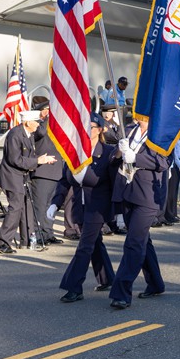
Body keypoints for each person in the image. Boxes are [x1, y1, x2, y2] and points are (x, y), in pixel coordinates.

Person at [49, 113, 119, 303]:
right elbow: (65, 180)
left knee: (84, 246)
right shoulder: (75, 152)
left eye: (92, 127)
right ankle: (107, 278)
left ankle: (73, 287)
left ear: (101, 130)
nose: (87, 131)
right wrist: (55, 203)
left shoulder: (108, 152)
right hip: (79, 207)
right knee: (95, 243)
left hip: (98, 207)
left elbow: (116, 182)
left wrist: (119, 209)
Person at [108, 118, 170, 309]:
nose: (140, 116)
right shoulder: (129, 130)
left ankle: (121, 292)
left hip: (148, 196)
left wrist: (135, 157)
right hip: (127, 191)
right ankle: (156, 283)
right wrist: (120, 151)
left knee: (133, 243)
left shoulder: (161, 134)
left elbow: (164, 162)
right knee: (143, 240)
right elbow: (113, 159)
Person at [0, 110, 57, 253]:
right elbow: (15, 160)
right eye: (36, 122)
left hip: (22, 176)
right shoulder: (15, 134)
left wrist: (42, 160)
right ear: (28, 122)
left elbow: (28, 155)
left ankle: (28, 240)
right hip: (11, 176)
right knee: (15, 208)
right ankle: (3, 243)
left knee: (27, 208)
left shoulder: (28, 134)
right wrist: (38, 161)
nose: (38, 125)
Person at [30, 98, 64, 245]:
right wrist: (47, 118)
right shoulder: (39, 125)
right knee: (40, 206)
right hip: (42, 171)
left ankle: (48, 232)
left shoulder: (58, 126)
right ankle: (37, 235)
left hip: (56, 171)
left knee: (50, 206)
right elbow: (40, 133)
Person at [159, 136, 180, 226]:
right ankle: (169, 215)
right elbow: (173, 154)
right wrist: (179, 165)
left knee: (174, 192)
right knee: (170, 192)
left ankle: (173, 214)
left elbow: (179, 149)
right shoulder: (172, 135)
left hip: (177, 163)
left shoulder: (177, 135)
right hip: (174, 164)